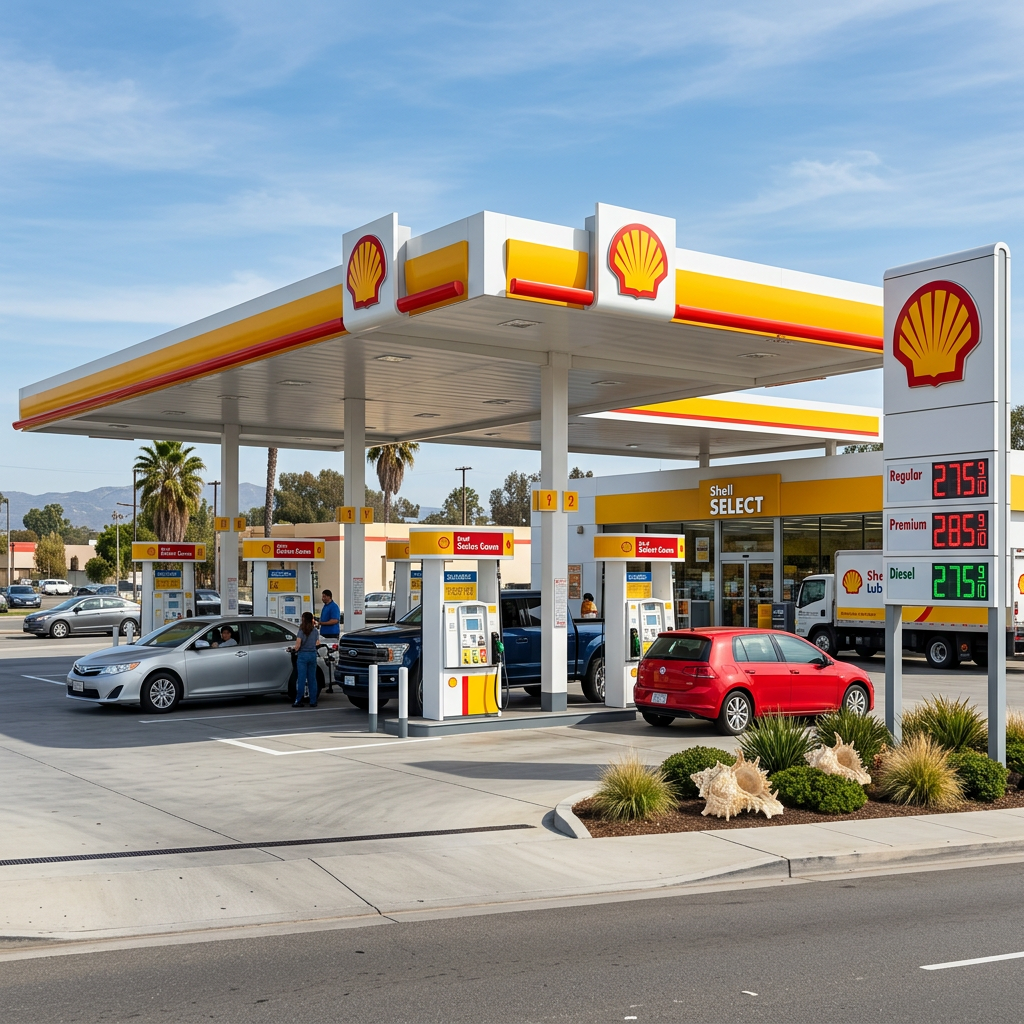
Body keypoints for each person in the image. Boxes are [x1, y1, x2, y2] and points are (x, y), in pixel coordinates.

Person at [292, 611, 319, 707]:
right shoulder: (315, 631)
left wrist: (293, 649)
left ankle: (298, 700)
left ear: (303, 619)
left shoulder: (301, 631)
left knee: (301, 679)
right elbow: (317, 643)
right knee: (312, 679)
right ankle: (313, 701)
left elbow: (298, 646)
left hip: (303, 656)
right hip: (312, 655)